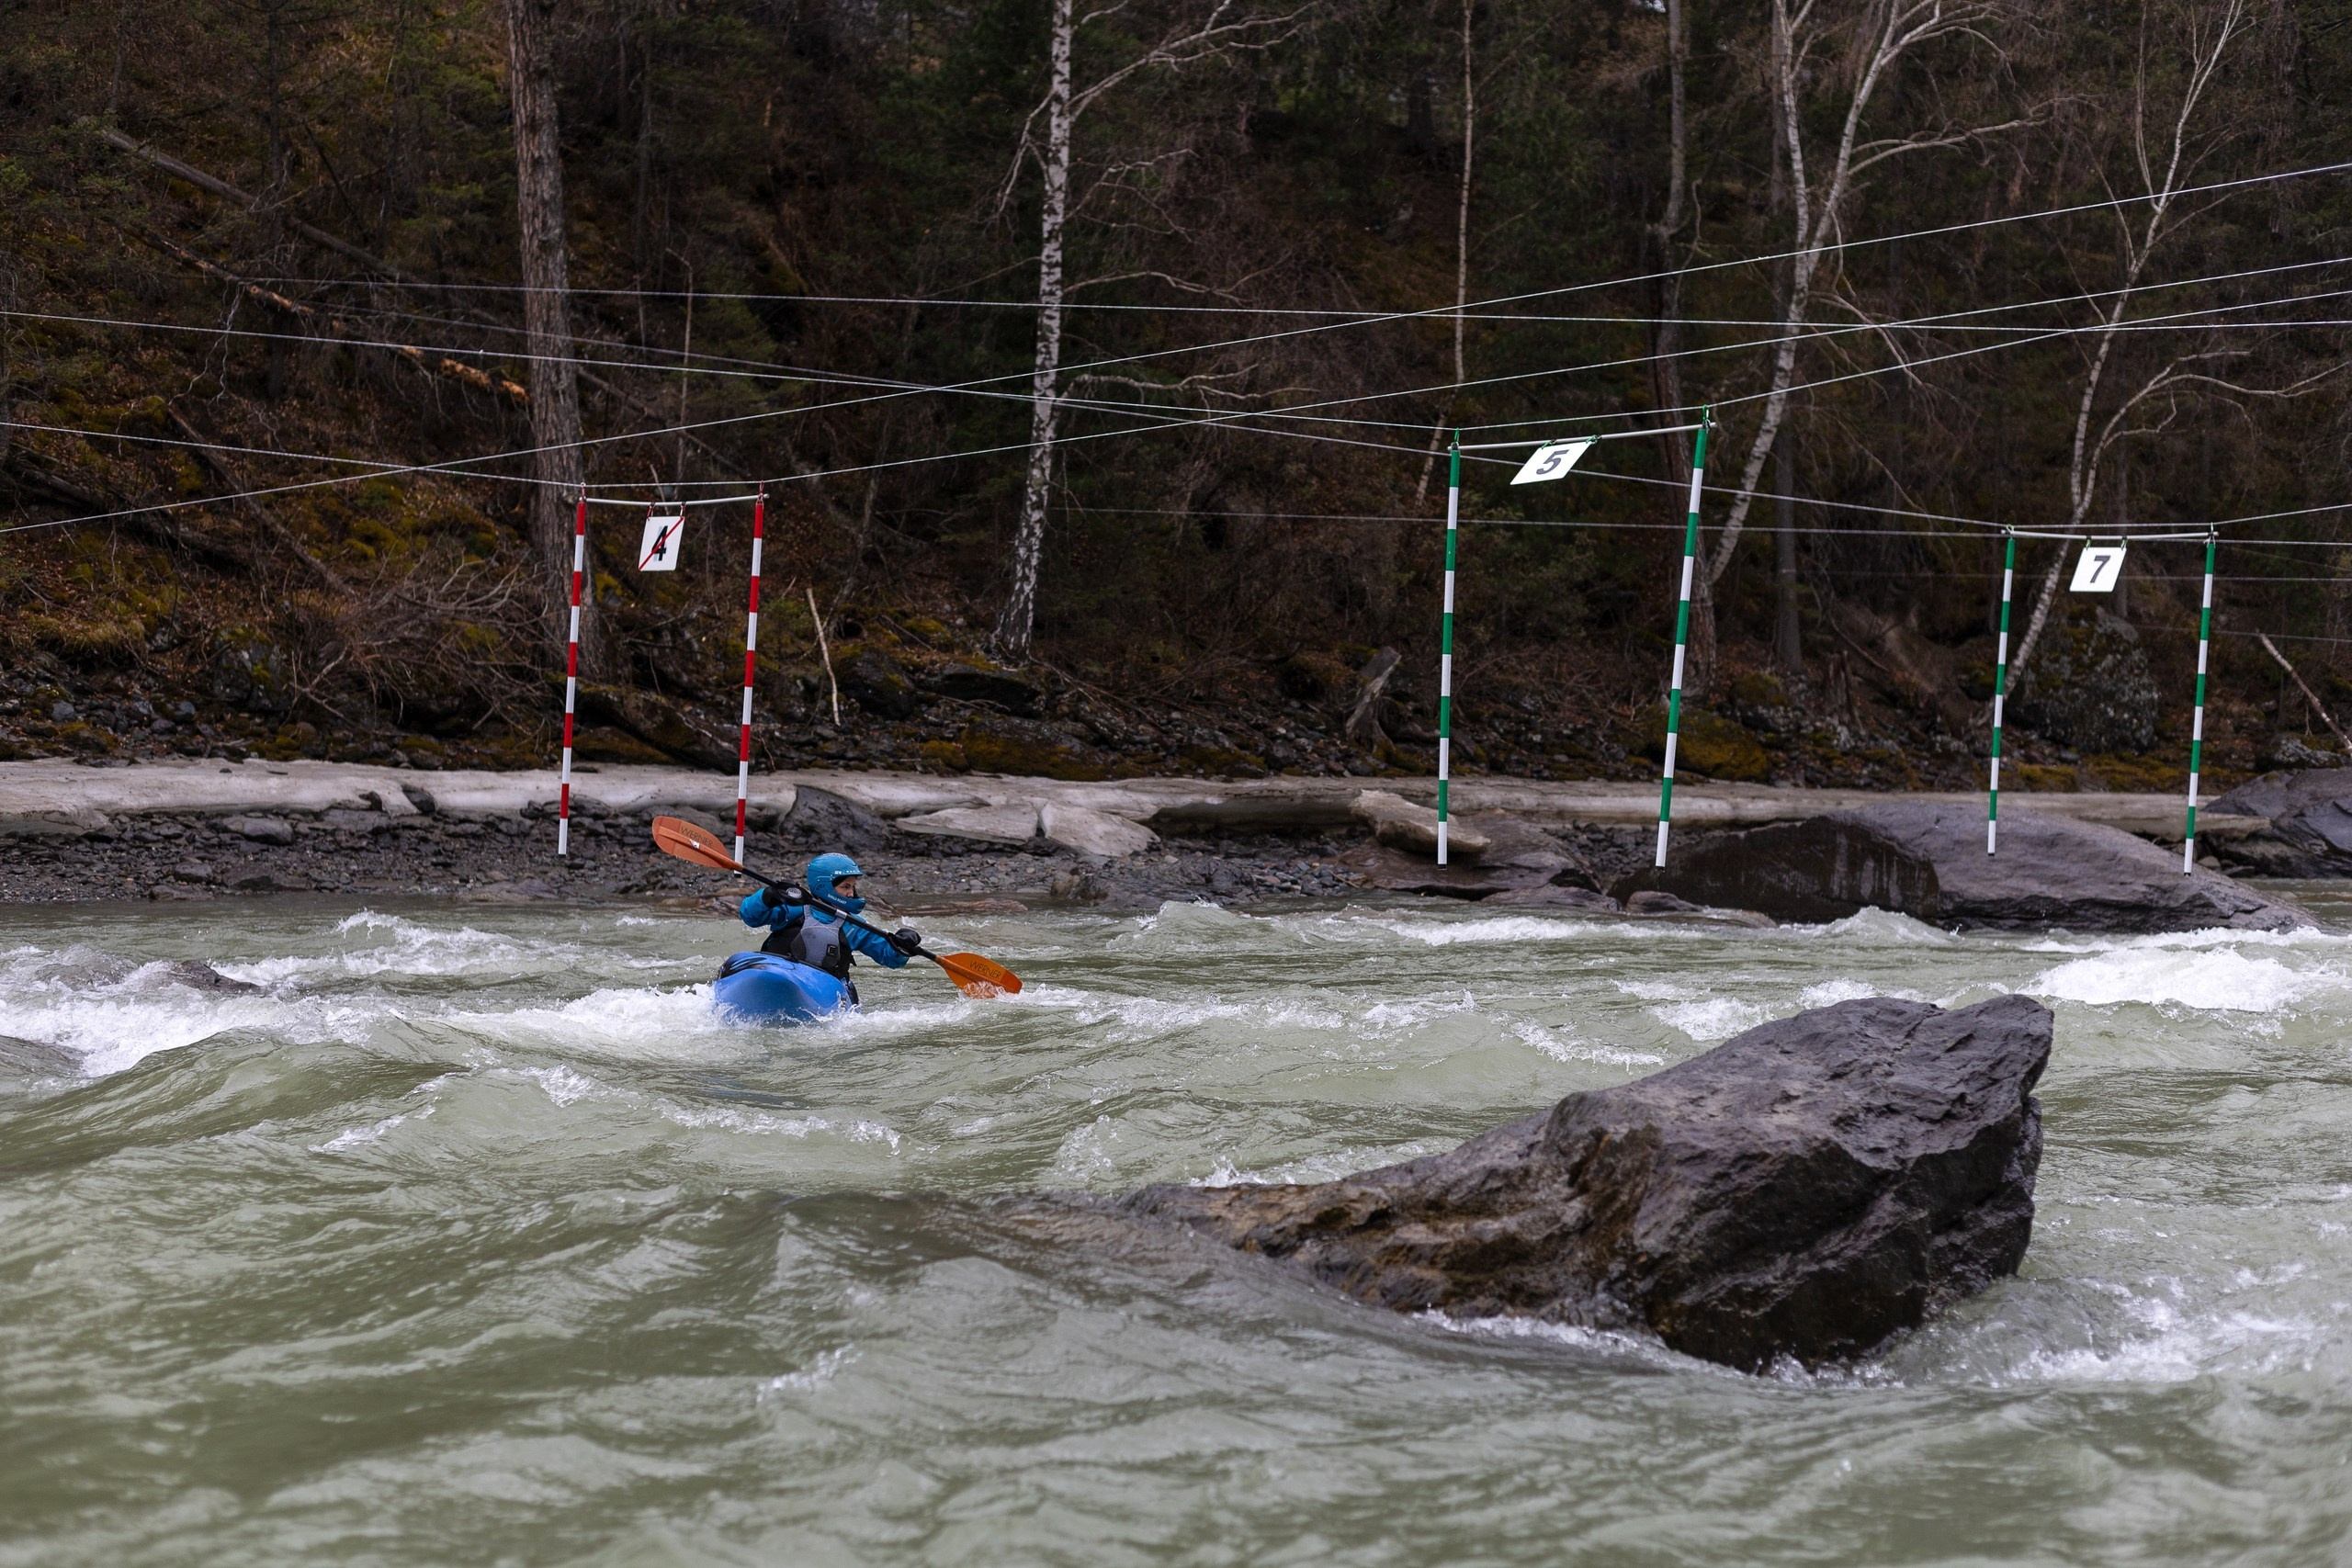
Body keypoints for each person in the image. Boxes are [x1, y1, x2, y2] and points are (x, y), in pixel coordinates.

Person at [739, 852, 922, 993]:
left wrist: (902, 946)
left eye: (852, 887)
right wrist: (769, 895)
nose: (851, 893)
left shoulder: (852, 926)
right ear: (823, 886)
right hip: (780, 973)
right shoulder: (793, 909)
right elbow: (750, 916)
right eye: (845, 887)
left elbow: (889, 957)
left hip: (823, 987)